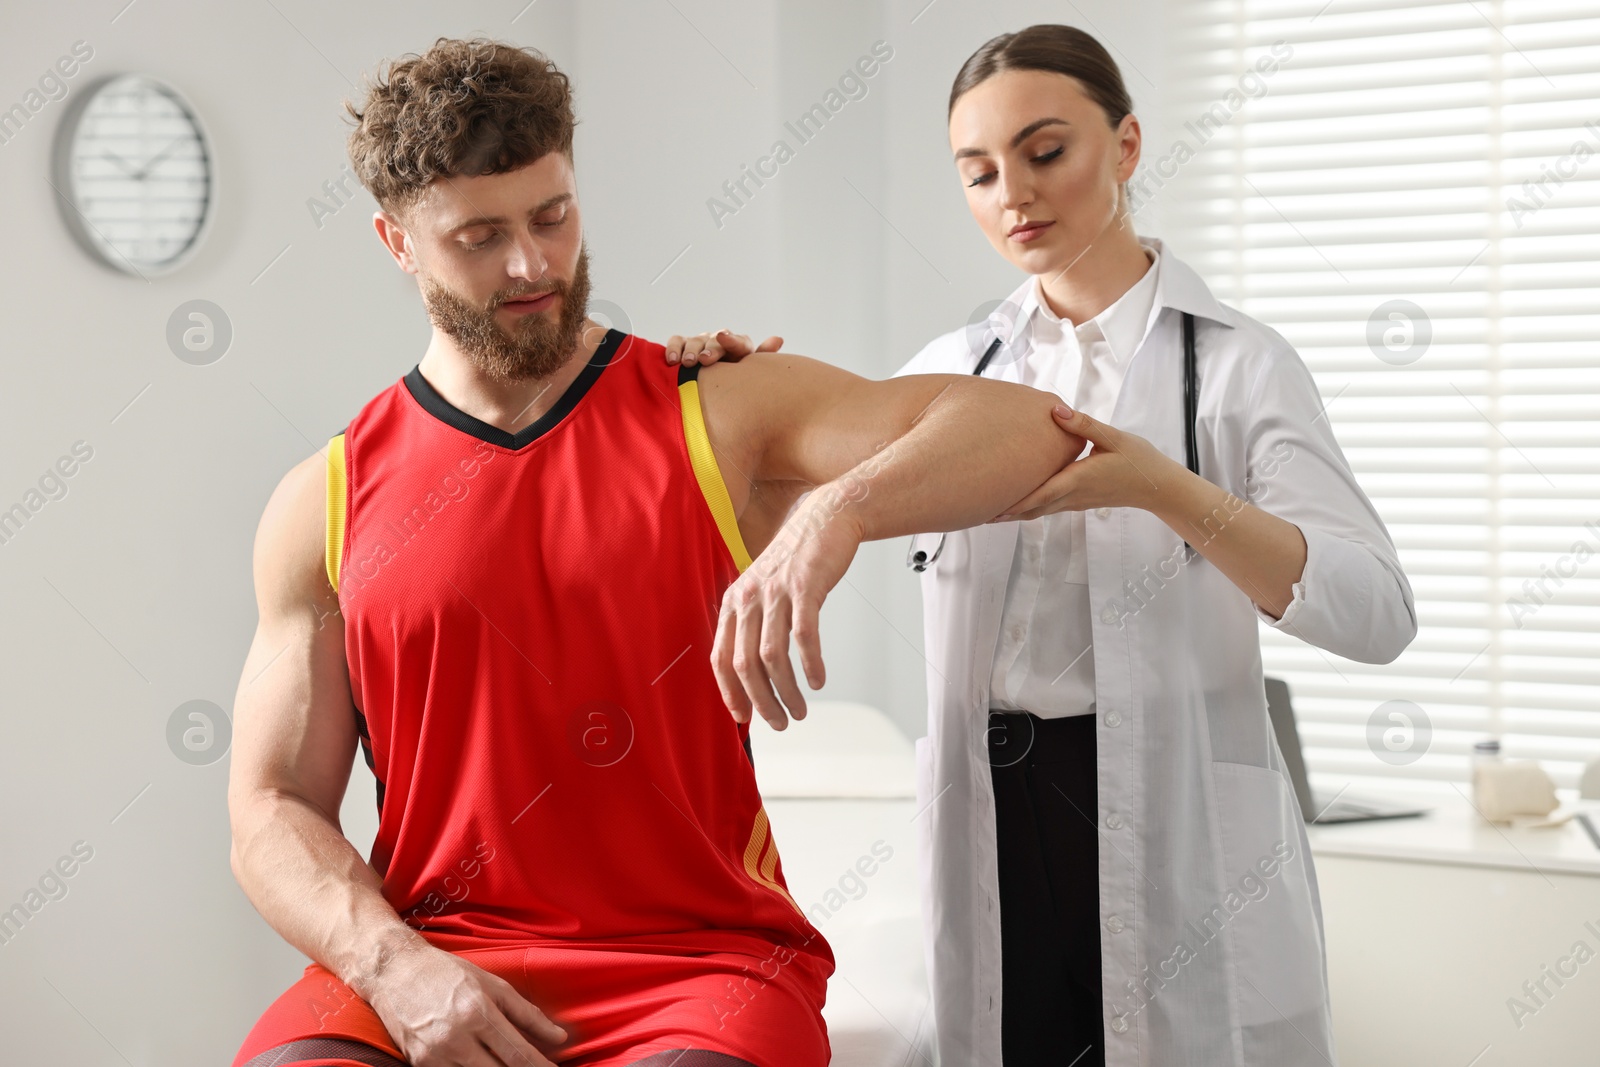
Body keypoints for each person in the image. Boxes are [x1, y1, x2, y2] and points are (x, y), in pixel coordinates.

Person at [225, 35, 1085, 1067]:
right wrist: (389, 961)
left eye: (553, 216)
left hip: (700, 969)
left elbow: (1032, 427)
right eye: (479, 236)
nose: (533, 264)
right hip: (431, 957)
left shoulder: (717, 410)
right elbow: (270, 804)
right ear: (397, 243)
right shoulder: (324, 498)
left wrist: (833, 512)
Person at [667, 23, 1417, 1067]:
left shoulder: (1242, 367)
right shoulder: (949, 370)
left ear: (1128, 144)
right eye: (976, 171)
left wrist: (1162, 485)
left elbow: (1374, 610)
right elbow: (774, 519)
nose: (1011, 192)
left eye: (1045, 150)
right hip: (994, 799)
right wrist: (725, 393)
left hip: (1172, 808)